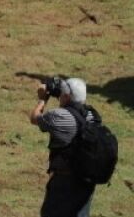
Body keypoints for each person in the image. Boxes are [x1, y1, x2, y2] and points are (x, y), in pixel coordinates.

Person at [30, 78, 97, 217]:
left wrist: (43, 99)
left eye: (61, 94)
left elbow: (35, 118)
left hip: (64, 182)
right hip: (87, 181)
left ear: (66, 96)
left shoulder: (60, 116)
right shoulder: (92, 115)